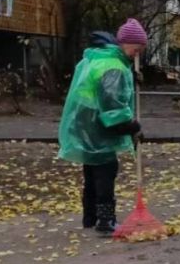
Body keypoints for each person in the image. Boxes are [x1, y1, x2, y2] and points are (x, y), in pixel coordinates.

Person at [58, 18, 147, 236]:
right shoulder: (113, 67)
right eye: (136, 49)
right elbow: (112, 105)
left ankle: (90, 217)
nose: (137, 55)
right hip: (96, 124)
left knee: (91, 168)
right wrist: (131, 126)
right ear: (124, 43)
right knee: (106, 169)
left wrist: (131, 75)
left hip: (84, 120)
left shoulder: (102, 57)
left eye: (140, 51)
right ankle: (106, 220)